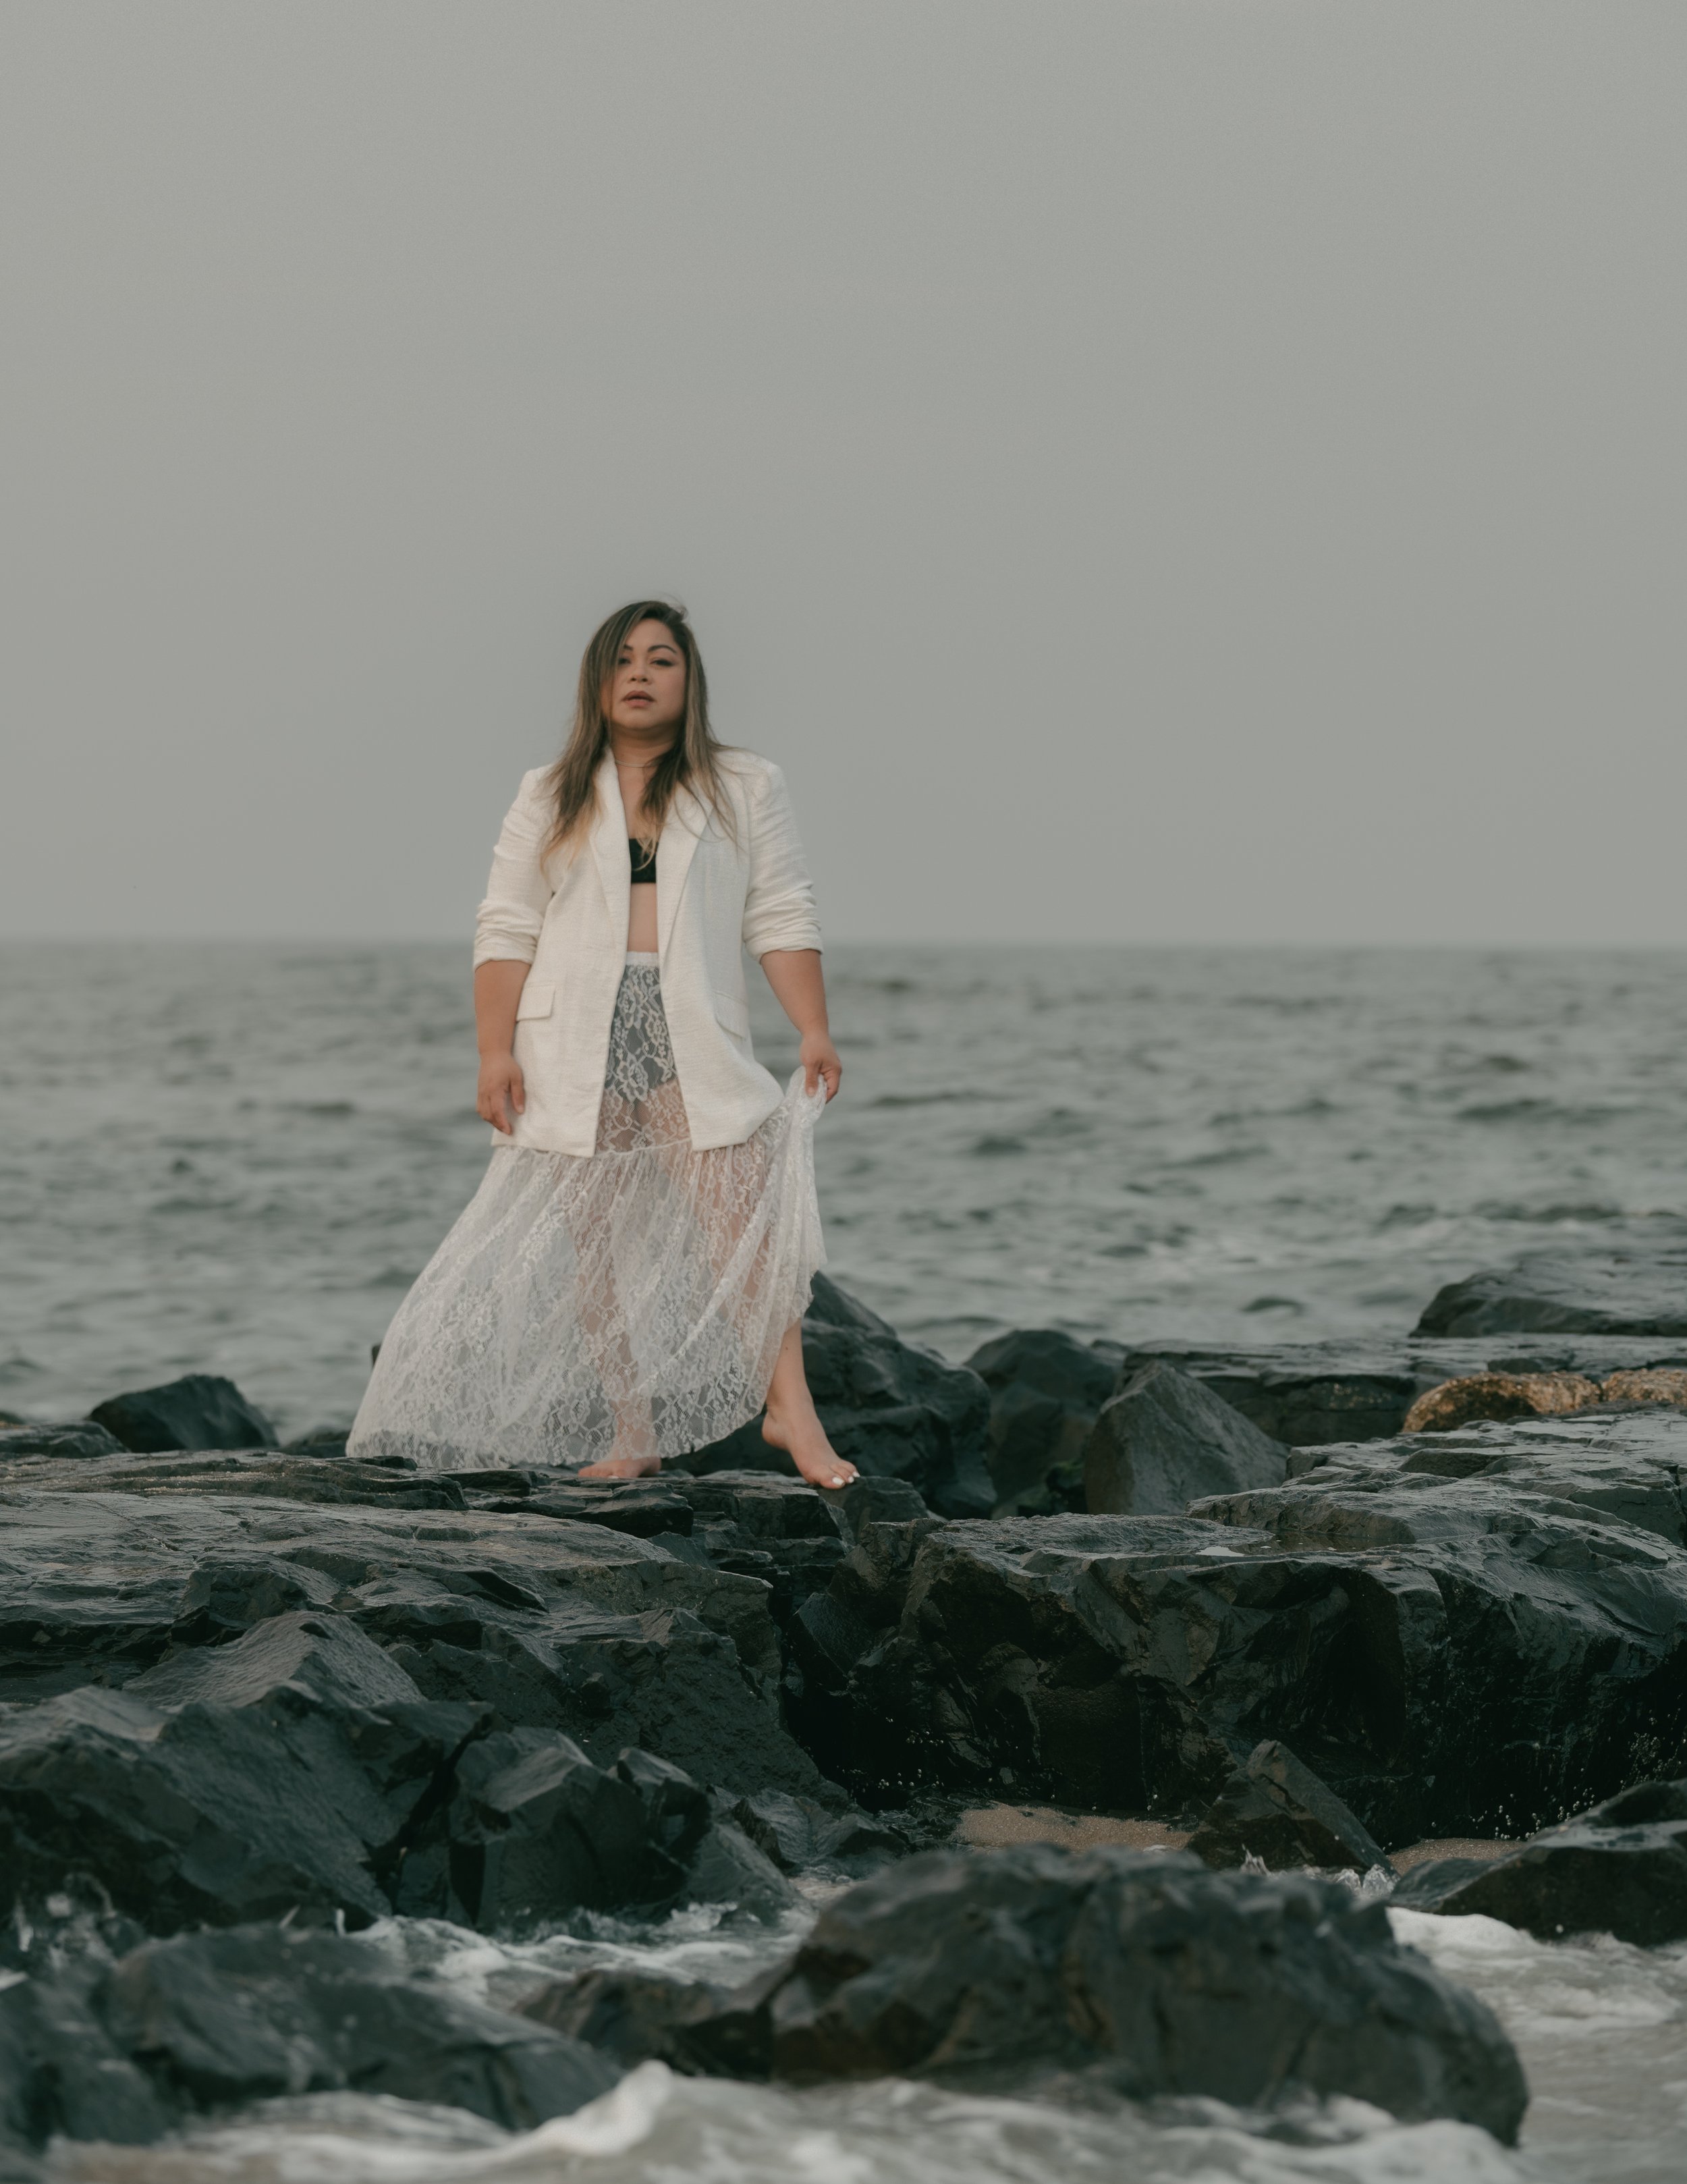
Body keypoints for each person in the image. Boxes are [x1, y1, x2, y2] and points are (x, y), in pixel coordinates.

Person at [348, 599, 858, 1491]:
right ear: (596, 681)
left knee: (742, 1220)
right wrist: (491, 1052)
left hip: (688, 1028)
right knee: (598, 1244)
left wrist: (812, 1027)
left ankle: (791, 1414)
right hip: (574, 1038)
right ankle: (632, 1431)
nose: (640, 672)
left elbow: (779, 911)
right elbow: (506, 925)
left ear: (689, 682)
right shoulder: (548, 791)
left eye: (662, 659)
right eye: (623, 659)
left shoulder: (745, 785)